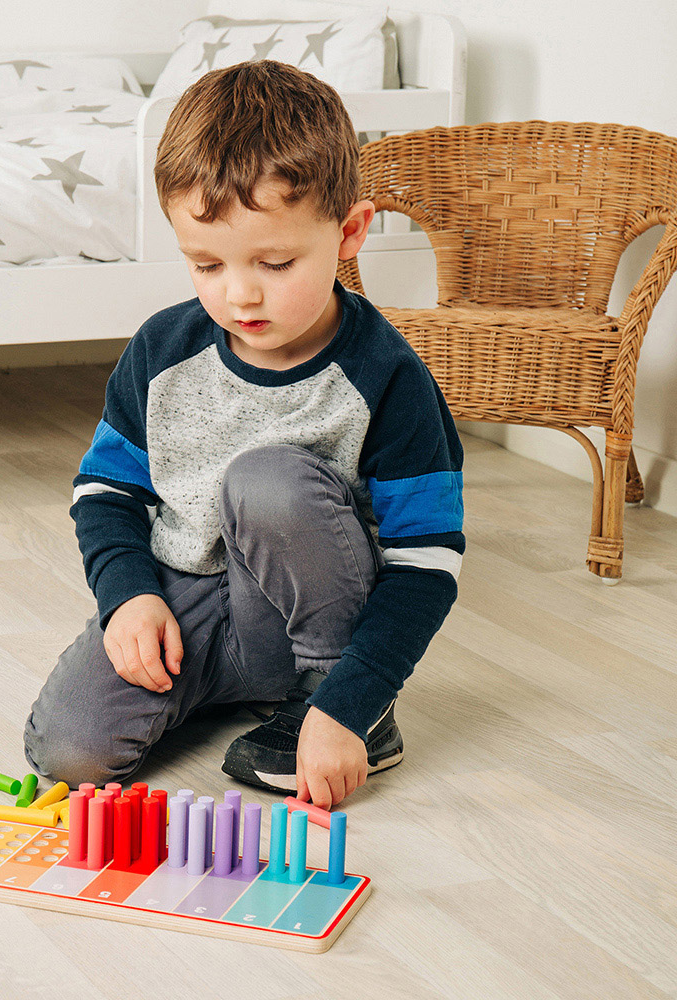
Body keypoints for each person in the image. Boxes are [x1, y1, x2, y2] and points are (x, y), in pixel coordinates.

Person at [23, 59, 464, 808]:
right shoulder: (162, 353)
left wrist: (348, 703)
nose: (240, 293)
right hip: (187, 601)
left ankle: (330, 698)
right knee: (68, 752)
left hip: (314, 619)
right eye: (206, 264)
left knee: (264, 480)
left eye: (276, 261)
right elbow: (104, 491)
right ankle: (229, 690)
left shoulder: (385, 374)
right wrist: (127, 596)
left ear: (349, 231)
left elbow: (426, 561)